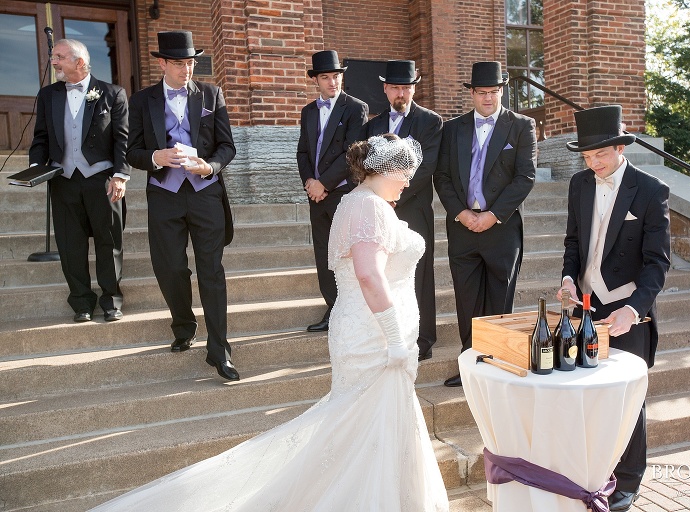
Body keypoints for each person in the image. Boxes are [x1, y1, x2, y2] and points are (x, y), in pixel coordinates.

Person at [88, 134, 449, 512]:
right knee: (364, 424)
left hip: (367, 330)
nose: (408, 181)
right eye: (404, 173)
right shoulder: (369, 207)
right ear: (384, 170)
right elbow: (369, 276)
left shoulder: (358, 201)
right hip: (375, 338)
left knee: (365, 426)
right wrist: (395, 339)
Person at [556, 105, 671, 512]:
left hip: (626, 311)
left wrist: (634, 310)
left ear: (621, 147)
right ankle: (594, 470)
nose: (594, 164)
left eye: (600, 155)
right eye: (587, 157)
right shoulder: (579, 184)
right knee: (586, 393)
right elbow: (574, 242)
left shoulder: (651, 190)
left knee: (628, 400)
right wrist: (567, 278)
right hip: (585, 306)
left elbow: (658, 264)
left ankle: (629, 481)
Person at [126, 31, 239, 381]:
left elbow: (227, 146)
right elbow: (131, 152)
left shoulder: (211, 94)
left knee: (211, 271)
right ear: (162, 63)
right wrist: (155, 157)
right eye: (179, 63)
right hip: (165, 193)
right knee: (171, 268)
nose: (186, 69)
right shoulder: (141, 100)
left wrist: (210, 166)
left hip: (205, 193)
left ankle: (219, 350)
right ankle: (184, 324)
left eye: (190, 63)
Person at [434, 61, 537, 387]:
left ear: (501, 91)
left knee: (499, 300)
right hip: (462, 228)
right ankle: (471, 365)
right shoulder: (452, 129)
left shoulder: (521, 126)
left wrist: (492, 215)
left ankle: (498, 364)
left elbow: (525, 177)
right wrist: (461, 213)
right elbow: (442, 176)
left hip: (501, 229)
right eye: (482, 92)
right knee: (467, 300)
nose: (488, 98)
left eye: (493, 92)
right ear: (472, 94)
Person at [29, 38, 128, 323]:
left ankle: (111, 301)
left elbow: (122, 140)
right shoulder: (48, 95)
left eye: (59, 57)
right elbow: (41, 137)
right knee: (70, 244)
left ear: (79, 62)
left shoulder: (112, 93)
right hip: (63, 179)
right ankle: (82, 302)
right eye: (53, 57)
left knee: (109, 241)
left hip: (102, 179)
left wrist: (120, 176)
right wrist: (36, 167)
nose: (53, 62)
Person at [361, 60, 443, 361]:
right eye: (395, 87)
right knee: (386, 273)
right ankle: (391, 334)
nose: (401, 93)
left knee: (418, 274)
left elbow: (426, 166)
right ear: (385, 89)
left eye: (406, 87)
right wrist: (379, 199)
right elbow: (366, 165)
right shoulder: (373, 125)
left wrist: (393, 195)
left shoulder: (430, 122)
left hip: (414, 209)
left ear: (414, 89)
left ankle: (423, 338)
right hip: (380, 211)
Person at [297, 50, 369, 332]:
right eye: (325, 77)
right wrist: (310, 183)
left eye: (336, 76)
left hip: (342, 194)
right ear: (316, 80)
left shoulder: (355, 108)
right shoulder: (308, 111)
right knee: (324, 255)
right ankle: (333, 310)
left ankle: (354, 312)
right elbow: (303, 152)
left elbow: (352, 152)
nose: (332, 82)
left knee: (346, 256)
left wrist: (323, 183)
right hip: (316, 196)